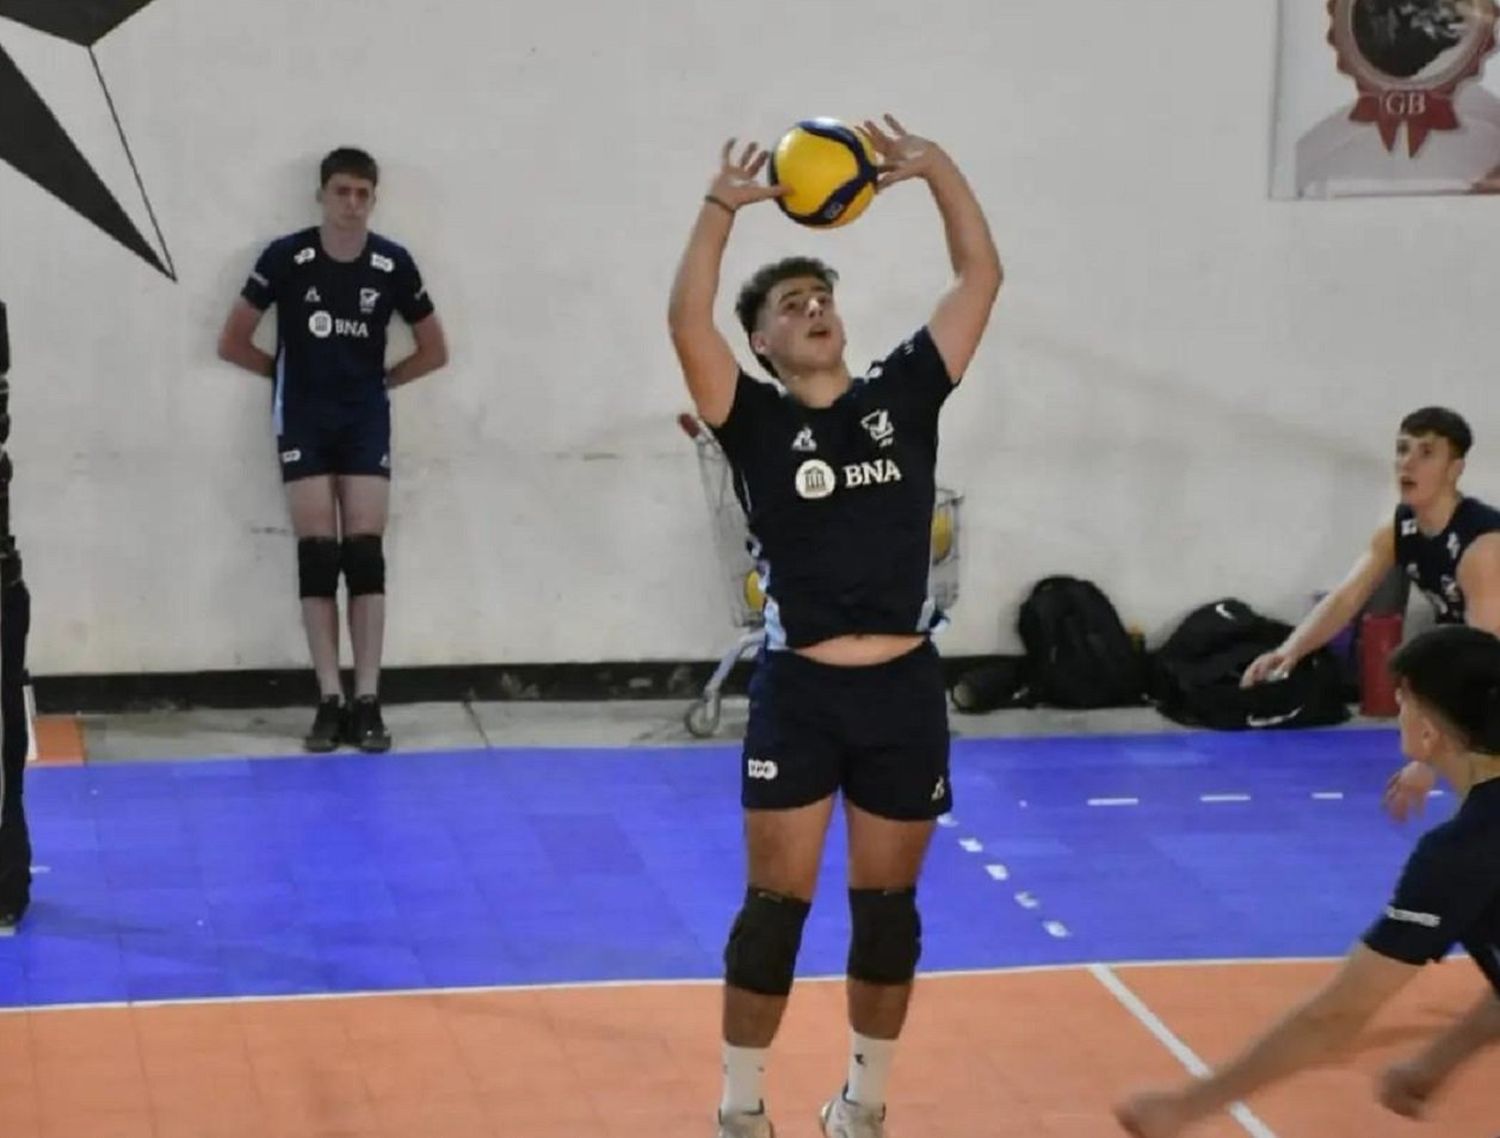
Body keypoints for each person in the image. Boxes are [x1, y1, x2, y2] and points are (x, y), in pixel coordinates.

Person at [666, 115, 1002, 1138]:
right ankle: (741, 1109)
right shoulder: (755, 421)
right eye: (789, 305)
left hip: (903, 690)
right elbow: (687, 323)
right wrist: (722, 207)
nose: (813, 309)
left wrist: (936, 167)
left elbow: (980, 276)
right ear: (762, 341)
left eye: (822, 298)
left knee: (888, 917)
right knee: (774, 916)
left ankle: (863, 1103)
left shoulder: (903, 393)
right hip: (803, 693)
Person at [1116, 623, 1500, 1136]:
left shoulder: (1461, 853)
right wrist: (1439, 1060)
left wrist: (1184, 1107)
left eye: (1403, 700)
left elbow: (1334, 1020)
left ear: (1430, 730)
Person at [216, 147, 448, 752]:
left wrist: (383, 382)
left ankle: (368, 699)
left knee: (364, 557)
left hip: (364, 420)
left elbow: (434, 348)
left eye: (361, 194)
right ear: (321, 195)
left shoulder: (391, 263)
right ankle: (328, 699)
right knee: (318, 557)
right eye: (341, 192)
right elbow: (233, 340)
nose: (350, 204)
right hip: (304, 419)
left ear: (374, 199)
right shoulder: (287, 257)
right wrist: (287, 375)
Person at [1242, 408, 1500, 819]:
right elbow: (1347, 598)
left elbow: (1488, 662)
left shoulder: (1482, 546)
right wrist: (1289, 651)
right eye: (1402, 450)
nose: (1407, 463)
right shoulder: (1399, 530)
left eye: (1426, 453)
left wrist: (1428, 759)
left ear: (1455, 469)